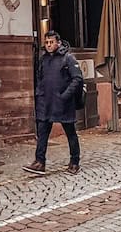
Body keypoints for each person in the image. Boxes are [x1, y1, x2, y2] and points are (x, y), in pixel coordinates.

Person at [22, 30, 84, 176]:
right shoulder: (43, 60)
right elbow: (40, 78)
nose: (49, 45)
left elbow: (77, 79)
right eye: (47, 42)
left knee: (70, 133)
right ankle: (39, 162)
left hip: (63, 102)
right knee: (42, 133)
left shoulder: (68, 58)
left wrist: (65, 95)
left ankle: (74, 162)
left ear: (58, 43)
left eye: (51, 42)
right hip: (46, 102)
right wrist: (39, 94)